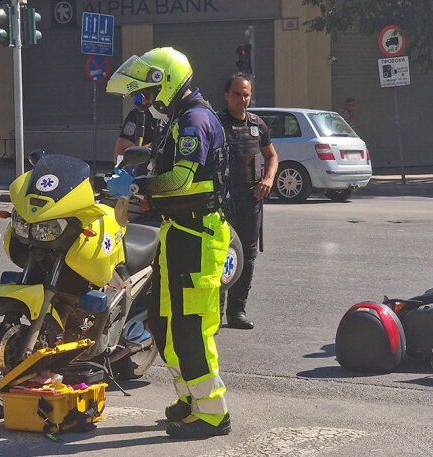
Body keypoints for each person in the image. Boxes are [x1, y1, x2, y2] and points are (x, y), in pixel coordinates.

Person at [106, 47, 232, 439]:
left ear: (168, 82)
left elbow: (179, 179)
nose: (144, 100)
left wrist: (137, 186)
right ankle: (191, 399)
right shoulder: (177, 118)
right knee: (163, 323)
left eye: (147, 92)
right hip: (177, 232)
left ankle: (213, 414)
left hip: (198, 235)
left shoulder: (195, 120)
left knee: (192, 327)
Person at [217, 73, 278, 330]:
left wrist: (268, 179)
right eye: (237, 94)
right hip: (223, 201)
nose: (242, 99)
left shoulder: (257, 125)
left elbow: (272, 156)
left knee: (248, 257)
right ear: (226, 95)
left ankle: (236, 312)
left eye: (246, 95)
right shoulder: (215, 123)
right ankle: (215, 314)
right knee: (221, 255)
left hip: (251, 199)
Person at [113, 94, 159, 164]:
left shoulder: (175, 114)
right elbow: (119, 157)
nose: (144, 100)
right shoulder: (139, 114)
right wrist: (156, 146)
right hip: (148, 168)